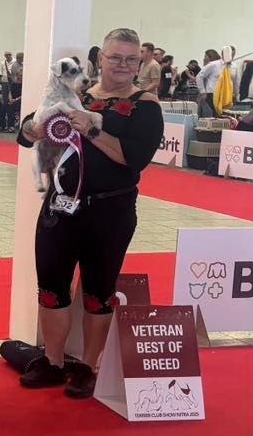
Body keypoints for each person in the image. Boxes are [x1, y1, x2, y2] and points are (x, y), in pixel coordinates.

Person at [17, 28, 163, 398]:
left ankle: (88, 365)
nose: (123, 65)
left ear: (140, 62)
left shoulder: (146, 105)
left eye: (131, 59)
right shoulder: (73, 94)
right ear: (100, 59)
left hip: (110, 211)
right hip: (60, 206)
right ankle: (52, 361)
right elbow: (28, 129)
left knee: (99, 290)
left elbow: (135, 159)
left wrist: (92, 130)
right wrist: (31, 128)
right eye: (115, 57)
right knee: (51, 286)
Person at [197, 46, 238, 117]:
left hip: (227, 96)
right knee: (214, 118)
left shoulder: (234, 67)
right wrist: (203, 92)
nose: (231, 56)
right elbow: (199, 76)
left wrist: (236, 95)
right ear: (222, 54)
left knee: (227, 118)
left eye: (233, 54)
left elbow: (235, 82)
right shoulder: (213, 65)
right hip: (212, 95)